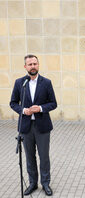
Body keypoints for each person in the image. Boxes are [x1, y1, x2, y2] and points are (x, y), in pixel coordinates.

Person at [10, 54, 57, 196]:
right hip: (26, 127)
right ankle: (32, 183)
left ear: (38, 65)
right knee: (30, 157)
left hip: (42, 126)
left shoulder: (46, 83)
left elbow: (53, 103)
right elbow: (13, 103)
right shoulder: (20, 83)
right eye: (30, 64)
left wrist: (41, 108)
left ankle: (46, 183)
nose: (33, 66)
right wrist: (23, 110)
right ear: (25, 67)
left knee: (44, 157)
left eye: (35, 64)